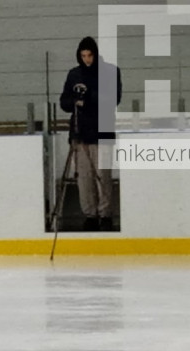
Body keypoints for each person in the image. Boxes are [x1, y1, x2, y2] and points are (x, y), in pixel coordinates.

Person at [59, 36, 122, 231]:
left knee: (102, 175)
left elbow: (113, 99)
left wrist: (88, 99)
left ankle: (105, 214)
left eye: (89, 55)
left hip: (102, 132)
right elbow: (64, 102)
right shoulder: (74, 74)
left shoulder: (110, 72)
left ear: (95, 54)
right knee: (84, 177)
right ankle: (90, 214)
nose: (87, 59)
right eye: (83, 56)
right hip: (79, 133)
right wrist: (75, 101)